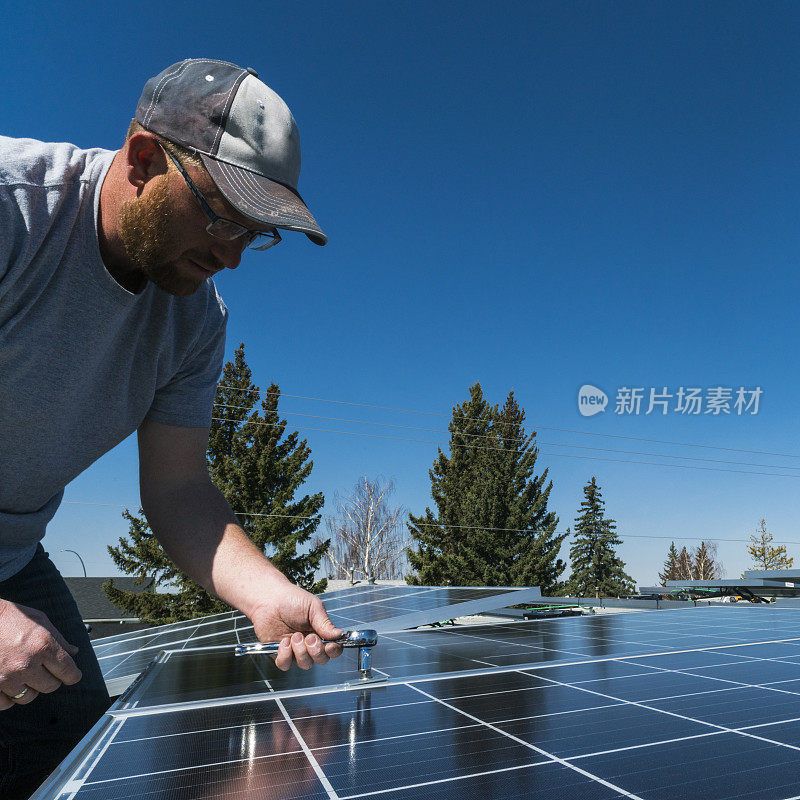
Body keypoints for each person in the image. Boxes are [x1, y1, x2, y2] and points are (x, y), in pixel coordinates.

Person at [0, 58, 342, 799]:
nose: (230, 257)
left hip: (12, 558)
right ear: (144, 156)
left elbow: (180, 488)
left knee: (75, 756)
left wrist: (265, 596)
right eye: (222, 215)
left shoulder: (195, 321)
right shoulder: (12, 210)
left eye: (256, 236)